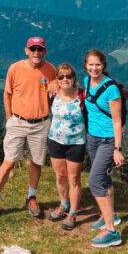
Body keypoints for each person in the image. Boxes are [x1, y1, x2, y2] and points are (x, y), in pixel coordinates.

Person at [0, 36, 56, 219]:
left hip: (41, 123)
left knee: (37, 162)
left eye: (40, 49)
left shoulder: (51, 70)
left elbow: (55, 94)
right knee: (9, 161)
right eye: (33, 49)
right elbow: (7, 94)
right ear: (27, 51)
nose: (36, 53)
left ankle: (31, 197)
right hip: (18, 122)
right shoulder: (15, 68)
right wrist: (9, 118)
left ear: (45, 51)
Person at [83, 49, 124, 247]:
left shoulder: (111, 89)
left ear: (103, 65)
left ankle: (111, 231)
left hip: (108, 140)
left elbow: (118, 121)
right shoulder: (86, 82)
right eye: (91, 64)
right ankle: (110, 215)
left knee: (95, 180)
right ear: (85, 65)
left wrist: (117, 148)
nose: (94, 68)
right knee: (104, 178)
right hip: (93, 138)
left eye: (98, 64)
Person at [47, 63, 86, 230]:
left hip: (76, 143)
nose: (64, 79)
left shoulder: (82, 95)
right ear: (56, 79)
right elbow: (35, 87)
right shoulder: (52, 93)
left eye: (68, 76)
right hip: (55, 140)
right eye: (61, 76)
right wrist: (48, 83)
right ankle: (63, 205)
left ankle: (73, 212)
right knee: (60, 176)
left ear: (73, 78)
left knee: (74, 179)